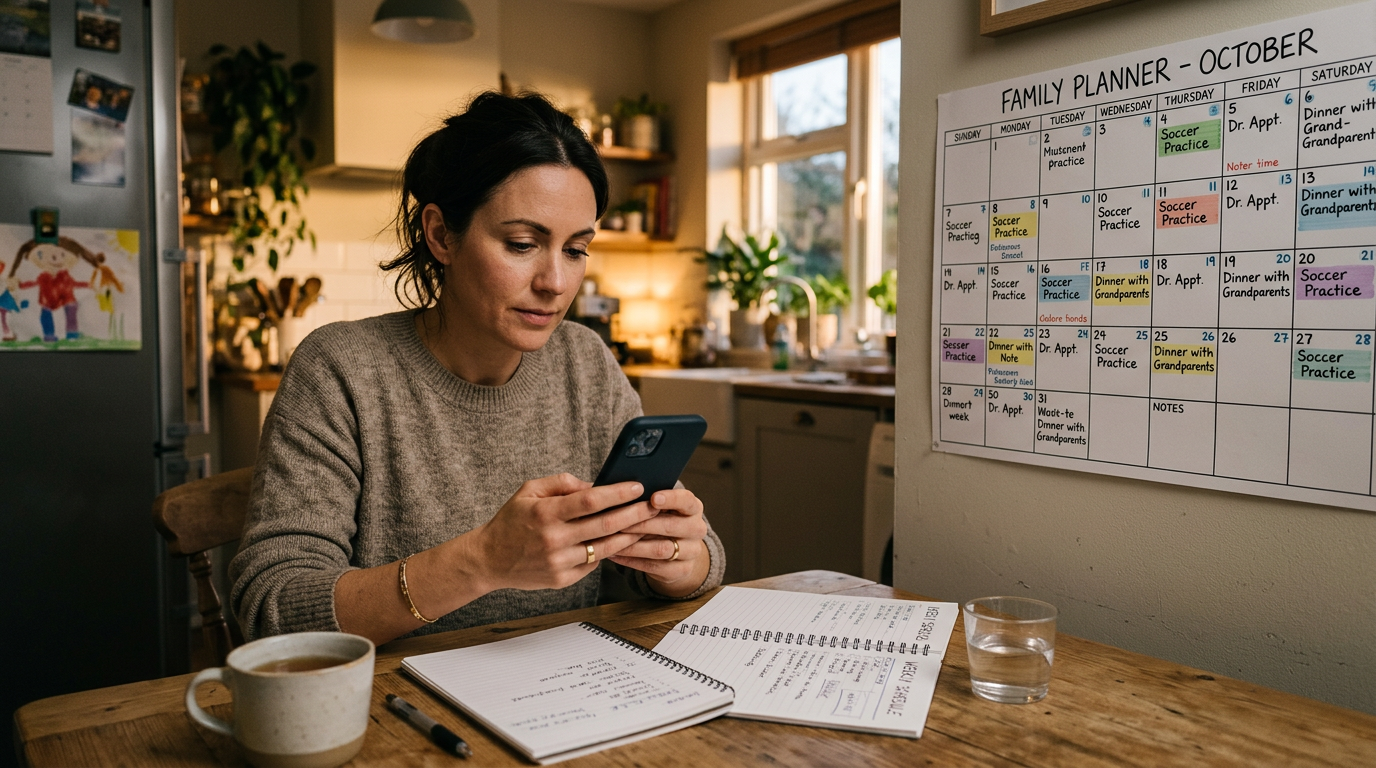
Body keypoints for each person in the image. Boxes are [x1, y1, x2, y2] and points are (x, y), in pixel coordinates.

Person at [230, 93, 725, 646]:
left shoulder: (585, 361)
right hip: (394, 693)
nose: (555, 283)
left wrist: (680, 561)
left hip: (565, 681)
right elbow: (273, 606)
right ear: (441, 235)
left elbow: (694, 556)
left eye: (575, 250)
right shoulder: (340, 369)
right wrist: (483, 561)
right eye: (522, 244)